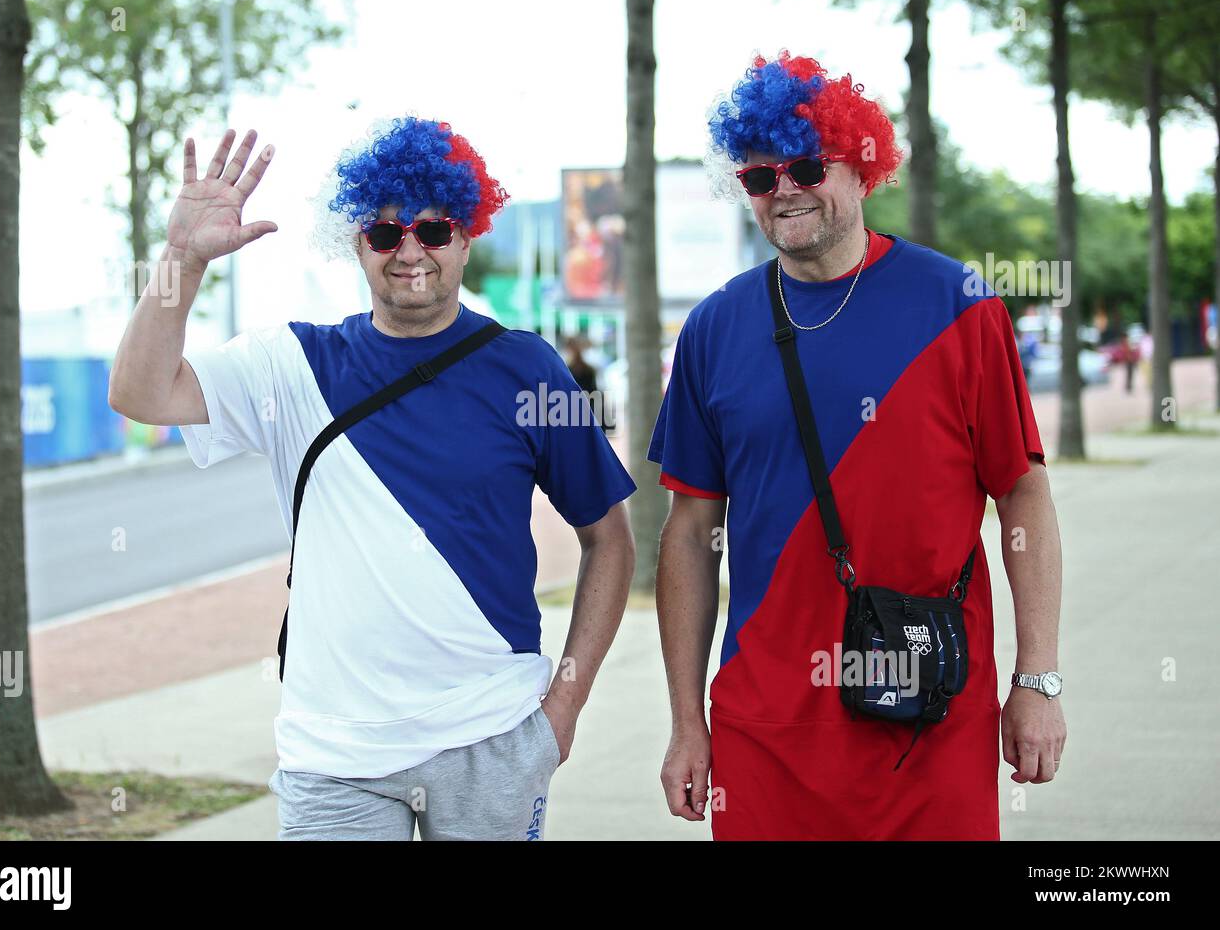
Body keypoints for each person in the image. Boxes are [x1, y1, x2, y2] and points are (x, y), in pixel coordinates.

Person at [108, 118, 637, 840]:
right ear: (355, 242)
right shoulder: (293, 364)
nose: (410, 251)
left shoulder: (528, 368)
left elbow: (609, 539)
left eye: (434, 229)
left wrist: (563, 708)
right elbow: (141, 393)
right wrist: (181, 257)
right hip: (334, 754)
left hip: (494, 734)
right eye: (385, 233)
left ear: (467, 236)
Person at [649, 51, 1066, 840]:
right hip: (764, 727)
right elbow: (690, 533)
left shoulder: (958, 304)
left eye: (807, 165)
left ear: (862, 164)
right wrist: (686, 721)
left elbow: (1022, 492)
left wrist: (1037, 679)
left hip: (928, 713)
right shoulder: (713, 327)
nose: (784, 190)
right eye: (760, 177)